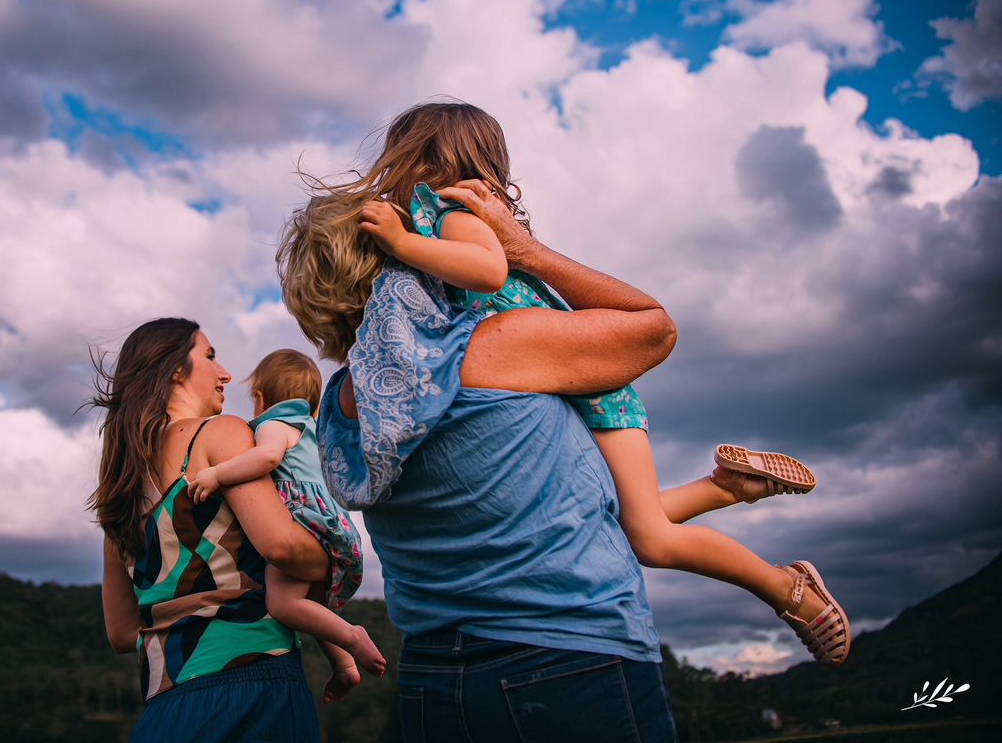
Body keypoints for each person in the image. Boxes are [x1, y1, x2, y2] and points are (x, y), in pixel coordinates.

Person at [277, 101, 849, 741]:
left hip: (433, 676)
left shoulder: (341, 410)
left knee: (642, 528)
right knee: (650, 535)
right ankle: (779, 577)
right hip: (564, 665)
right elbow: (654, 327)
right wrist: (525, 250)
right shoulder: (489, 340)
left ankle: (727, 497)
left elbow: (549, 515)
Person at [358, 172, 847, 668]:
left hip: (597, 394)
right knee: (610, 519)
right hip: (558, 383)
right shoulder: (438, 234)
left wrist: (400, 240)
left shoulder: (451, 214)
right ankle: (726, 486)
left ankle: (787, 587)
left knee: (651, 540)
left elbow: (485, 273)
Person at [90, 319, 331, 742]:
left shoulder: (119, 488)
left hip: (163, 708)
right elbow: (284, 548)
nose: (225, 374)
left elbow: (122, 632)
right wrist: (337, 555)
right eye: (210, 356)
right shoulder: (220, 434)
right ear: (176, 371)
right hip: (253, 688)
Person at [186, 349, 386, 702]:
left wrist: (216, 473)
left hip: (303, 518)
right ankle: (343, 665)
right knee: (306, 601)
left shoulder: (272, 424)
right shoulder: (311, 429)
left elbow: (266, 457)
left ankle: (352, 636)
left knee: (281, 605)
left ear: (261, 400)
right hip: (333, 524)